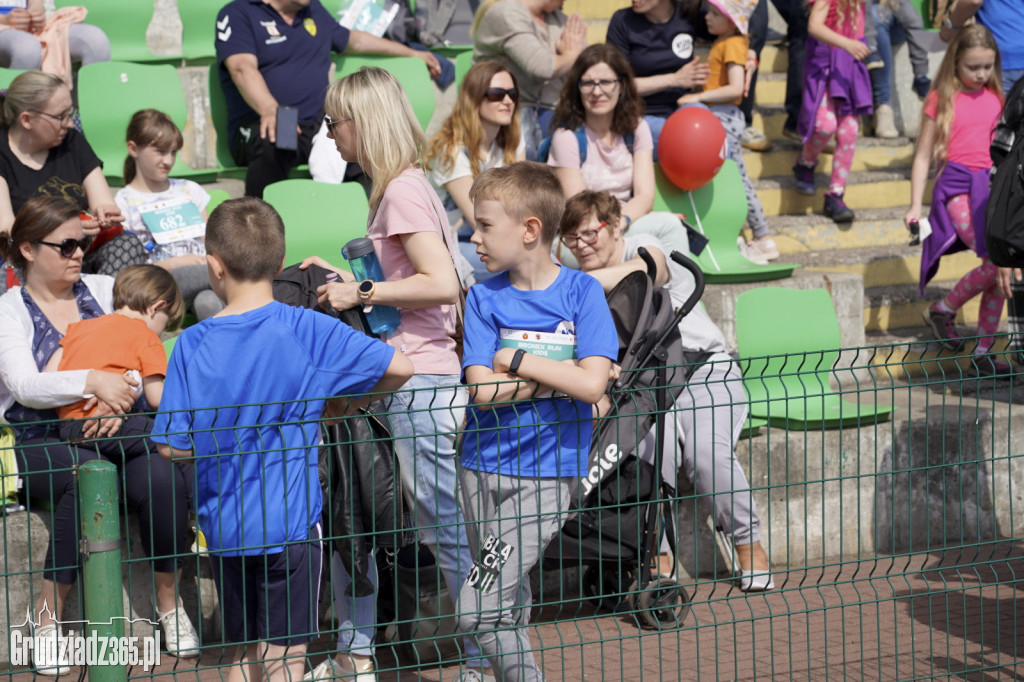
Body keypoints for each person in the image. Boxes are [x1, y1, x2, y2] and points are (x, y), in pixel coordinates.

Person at [153, 197, 413, 682]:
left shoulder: (191, 341)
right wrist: (344, 405)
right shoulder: (305, 326)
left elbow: (171, 445)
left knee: (238, 654)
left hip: (225, 529)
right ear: (279, 263)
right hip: (290, 526)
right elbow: (401, 367)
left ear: (214, 265)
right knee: (285, 657)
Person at [310, 66, 487, 682]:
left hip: (420, 384)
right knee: (383, 518)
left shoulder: (404, 191)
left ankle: (482, 657)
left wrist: (357, 291)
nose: (329, 134)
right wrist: (346, 284)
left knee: (447, 532)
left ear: (364, 121)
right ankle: (358, 650)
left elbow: (439, 282)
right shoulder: (400, 188)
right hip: (406, 379)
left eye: (335, 122)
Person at [0, 197, 199, 674]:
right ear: (27, 248)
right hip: (41, 436)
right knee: (82, 474)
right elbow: (24, 385)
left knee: (159, 475)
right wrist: (93, 382)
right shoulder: (9, 309)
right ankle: (45, 619)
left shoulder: (105, 287)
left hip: (120, 427)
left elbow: (138, 346)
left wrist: (120, 395)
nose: (78, 254)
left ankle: (169, 606)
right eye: (66, 244)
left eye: (83, 244)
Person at [559, 189, 774, 592]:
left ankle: (749, 544)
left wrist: (576, 284)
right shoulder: (575, 281)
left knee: (706, 453)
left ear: (615, 225)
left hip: (701, 369)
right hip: (647, 384)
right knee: (649, 450)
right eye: (571, 239)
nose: (581, 245)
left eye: (589, 233)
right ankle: (656, 555)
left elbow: (652, 270)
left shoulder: (639, 245)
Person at [456, 162, 617, 681]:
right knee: (504, 596)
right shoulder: (482, 297)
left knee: (476, 606)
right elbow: (482, 390)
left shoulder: (582, 293)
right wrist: (560, 375)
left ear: (530, 229)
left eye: (484, 225)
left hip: (546, 478)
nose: (473, 236)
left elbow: (594, 386)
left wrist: (517, 360)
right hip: (479, 468)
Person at [215, 0, 442, 199]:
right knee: (276, 141)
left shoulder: (313, 10)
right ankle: (254, 224)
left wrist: (412, 52)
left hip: (318, 120)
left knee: (360, 140)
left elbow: (354, 40)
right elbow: (241, 68)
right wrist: (270, 108)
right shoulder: (239, 12)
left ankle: (370, 223)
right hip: (272, 118)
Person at [906, 25, 1006, 375]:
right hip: (958, 190)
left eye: (988, 66)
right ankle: (944, 309)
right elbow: (921, 157)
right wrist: (915, 206)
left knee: (1000, 268)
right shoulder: (941, 98)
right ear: (955, 64)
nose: (981, 74)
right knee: (996, 264)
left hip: (990, 190)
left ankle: (983, 350)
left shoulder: (998, 97)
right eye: (973, 67)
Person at [0, 70, 145, 276]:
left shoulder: (72, 141)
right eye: (60, 116)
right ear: (26, 120)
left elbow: (103, 201)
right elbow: (7, 230)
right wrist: (64, 231)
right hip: (32, 262)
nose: (69, 123)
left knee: (127, 244)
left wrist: (104, 214)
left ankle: (110, 307)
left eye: (71, 113)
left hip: (82, 254)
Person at [677, 0, 777, 261]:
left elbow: (735, 89)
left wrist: (695, 98)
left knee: (738, 178)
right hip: (717, 117)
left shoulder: (733, 44)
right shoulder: (725, 42)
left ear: (732, 21)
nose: (706, 17)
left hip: (725, 118)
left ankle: (763, 236)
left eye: (713, 13)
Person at [49, 264, 184, 457]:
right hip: (105, 427)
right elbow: (157, 399)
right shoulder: (147, 337)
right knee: (175, 437)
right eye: (167, 322)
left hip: (68, 428)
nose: (162, 330)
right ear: (157, 307)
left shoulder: (79, 328)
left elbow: (49, 376)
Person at [114, 110, 224, 321]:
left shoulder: (189, 190)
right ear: (133, 148)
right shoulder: (124, 201)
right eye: (160, 151)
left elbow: (209, 242)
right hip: (159, 280)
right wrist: (176, 263)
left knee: (207, 302)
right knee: (230, 275)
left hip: (202, 273)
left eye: (173, 152)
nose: (168, 160)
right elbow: (132, 270)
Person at [426, 59, 526, 285]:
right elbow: (479, 219)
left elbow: (524, 201)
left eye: (512, 93)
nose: (508, 100)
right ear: (474, 99)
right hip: (453, 245)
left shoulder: (512, 141)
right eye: (496, 94)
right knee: (529, 262)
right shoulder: (450, 150)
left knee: (543, 260)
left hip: (500, 236)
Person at [471, 0, 587, 160]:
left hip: (554, 113)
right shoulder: (505, 12)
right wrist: (571, 55)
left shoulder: (558, 18)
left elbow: (585, 68)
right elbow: (542, 67)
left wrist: (566, 58)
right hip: (509, 110)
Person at [791, 0, 872, 223]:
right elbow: (814, 26)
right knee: (825, 125)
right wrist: (847, 44)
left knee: (850, 130)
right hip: (825, 65)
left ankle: (836, 194)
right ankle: (805, 163)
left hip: (848, 65)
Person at [605, 0, 713, 160]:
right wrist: (674, 79)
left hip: (682, 107)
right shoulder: (622, 21)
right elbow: (616, 84)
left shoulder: (690, 14)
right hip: (640, 114)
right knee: (673, 134)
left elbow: (733, 24)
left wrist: (751, 54)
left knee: (710, 128)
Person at [863, 0, 930, 138]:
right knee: (877, 15)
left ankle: (920, 79)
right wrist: (870, 46)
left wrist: (920, 70)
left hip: (892, 22)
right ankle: (883, 106)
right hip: (866, 24)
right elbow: (864, 11)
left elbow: (913, 20)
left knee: (910, 18)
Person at [0, 0, 110, 73]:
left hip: (32, 27)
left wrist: (35, 13)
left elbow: (36, 4)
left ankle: (92, 104)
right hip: (4, 27)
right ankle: (18, 106)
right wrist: (4, 19)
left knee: (95, 39)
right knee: (26, 47)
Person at [940, 0, 1024, 94]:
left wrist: (951, 26)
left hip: (1003, 56)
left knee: (993, 106)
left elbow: (973, 1)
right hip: (1011, 51)